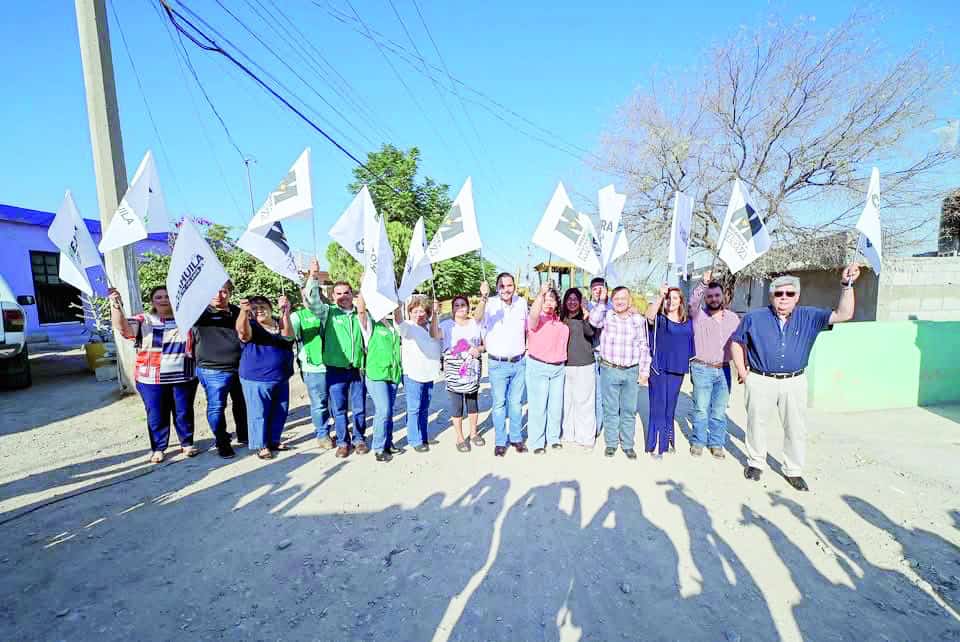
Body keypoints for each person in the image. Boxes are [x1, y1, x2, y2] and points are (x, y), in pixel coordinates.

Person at [731, 266, 861, 491]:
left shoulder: (810, 316)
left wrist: (847, 285)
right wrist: (743, 372)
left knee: (795, 427)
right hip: (761, 379)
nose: (783, 298)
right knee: (757, 424)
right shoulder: (755, 317)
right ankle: (755, 463)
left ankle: (793, 470)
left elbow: (844, 314)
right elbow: (736, 341)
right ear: (771, 296)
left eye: (789, 294)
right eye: (778, 294)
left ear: (797, 296)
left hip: (794, 381)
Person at [109, 286, 199, 464]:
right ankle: (158, 448)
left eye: (167, 296)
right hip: (151, 379)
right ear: (152, 301)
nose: (164, 299)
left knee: (184, 412)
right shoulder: (144, 320)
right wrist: (115, 304)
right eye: (159, 297)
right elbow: (123, 328)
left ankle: (187, 443)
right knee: (157, 415)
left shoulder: (187, 319)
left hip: (185, 376)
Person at [303, 260, 367, 459]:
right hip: (335, 370)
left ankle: (359, 439)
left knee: (359, 408)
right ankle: (342, 442)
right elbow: (312, 300)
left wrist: (366, 282)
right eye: (338, 293)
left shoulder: (360, 314)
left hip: (357, 369)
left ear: (352, 294)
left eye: (346, 293)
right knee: (338, 409)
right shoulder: (328, 312)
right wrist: (313, 276)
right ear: (332, 296)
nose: (343, 297)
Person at [588, 285, 651, 458]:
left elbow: (643, 345)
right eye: (616, 299)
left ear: (629, 300)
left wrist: (644, 371)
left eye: (623, 298)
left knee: (629, 410)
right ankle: (611, 443)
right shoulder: (607, 316)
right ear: (612, 301)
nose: (620, 302)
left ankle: (628, 444)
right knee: (610, 409)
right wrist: (602, 300)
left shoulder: (638, 320)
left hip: (631, 371)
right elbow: (593, 321)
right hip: (610, 369)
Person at [687, 270, 741, 459]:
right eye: (709, 296)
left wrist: (744, 366)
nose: (713, 299)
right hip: (701, 368)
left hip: (724, 369)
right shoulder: (698, 316)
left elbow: (742, 342)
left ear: (723, 296)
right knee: (701, 408)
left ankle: (716, 443)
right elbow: (693, 302)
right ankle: (698, 442)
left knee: (719, 409)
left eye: (717, 295)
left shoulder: (733, 318)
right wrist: (703, 283)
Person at [475, 273, 528, 456]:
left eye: (509, 285)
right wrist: (483, 297)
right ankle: (500, 441)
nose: (506, 289)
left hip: (519, 362)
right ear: (497, 288)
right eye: (502, 286)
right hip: (497, 364)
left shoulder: (521, 304)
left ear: (514, 286)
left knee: (516, 403)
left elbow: (528, 328)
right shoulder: (490, 304)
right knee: (499, 404)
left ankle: (516, 438)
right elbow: (476, 318)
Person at [193, 280, 247, 459]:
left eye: (223, 292)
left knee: (241, 403)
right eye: (214, 291)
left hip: (240, 367)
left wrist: (245, 312)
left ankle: (244, 434)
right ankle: (222, 442)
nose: (219, 295)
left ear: (229, 293)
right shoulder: (198, 312)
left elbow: (245, 333)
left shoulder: (237, 312)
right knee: (217, 407)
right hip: (213, 370)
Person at [236, 294, 294, 460]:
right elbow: (242, 333)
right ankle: (260, 445)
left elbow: (288, 335)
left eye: (263, 306)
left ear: (270, 308)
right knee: (258, 413)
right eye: (254, 308)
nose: (259, 310)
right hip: (256, 379)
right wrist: (243, 312)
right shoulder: (250, 325)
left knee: (280, 411)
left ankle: (274, 440)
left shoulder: (278, 322)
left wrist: (285, 313)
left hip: (281, 377)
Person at [644, 284, 695, 457]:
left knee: (670, 406)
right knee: (658, 406)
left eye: (674, 298)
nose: (671, 301)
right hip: (659, 368)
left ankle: (669, 439)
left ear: (680, 300)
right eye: (668, 298)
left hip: (677, 369)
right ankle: (656, 445)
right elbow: (648, 315)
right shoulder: (659, 319)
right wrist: (660, 296)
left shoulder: (688, 321)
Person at [357, 294, 403, 463]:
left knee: (389, 411)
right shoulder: (370, 324)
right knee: (383, 410)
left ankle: (388, 443)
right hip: (377, 374)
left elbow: (399, 314)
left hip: (392, 373)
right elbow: (361, 311)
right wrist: (363, 290)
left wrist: (397, 297)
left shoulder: (393, 326)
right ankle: (378, 447)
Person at [525, 283, 569, 454]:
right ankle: (536, 442)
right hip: (538, 367)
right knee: (538, 406)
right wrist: (541, 294)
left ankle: (553, 438)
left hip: (558, 368)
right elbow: (534, 314)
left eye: (552, 299)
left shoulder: (559, 322)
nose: (549, 303)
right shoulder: (536, 319)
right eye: (546, 299)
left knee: (556, 406)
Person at [398, 295, 443, 453]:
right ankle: (414, 439)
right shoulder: (408, 327)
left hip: (429, 374)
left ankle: (423, 436)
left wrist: (436, 314)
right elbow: (398, 322)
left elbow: (435, 335)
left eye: (422, 311)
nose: (419, 314)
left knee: (424, 407)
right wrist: (398, 306)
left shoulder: (431, 326)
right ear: (409, 312)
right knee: (414, 408)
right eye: (415, 311)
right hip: (413, 375)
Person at [441, 294, 485, 452]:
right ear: (452, 309)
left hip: (472, 371)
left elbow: (483, 346)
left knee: (472, 402)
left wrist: (477, 350)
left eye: (463, 305)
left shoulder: (476, 323)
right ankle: (460, 438)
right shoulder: (446, 325)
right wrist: (433, 313)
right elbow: (434, 335)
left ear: (468, 307)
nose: (460, 308)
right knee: (457, 405)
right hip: (454, 372)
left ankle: (473, 433)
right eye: (457, 305)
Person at [291, 287, 331, 450]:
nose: (312, 297)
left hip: (335, 365)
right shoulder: (297, 316)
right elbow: (287, 335)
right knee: (319, 403)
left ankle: (342, 433)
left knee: (337, 403)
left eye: (316, 293)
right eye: (307, 295)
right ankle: (322, 434)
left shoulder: (330, 311)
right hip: (313, 368)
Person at [560, 287, 596, 448]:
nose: (572, 302)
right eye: (569, 298)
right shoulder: (561, 318)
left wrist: (586, 316)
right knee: (567, 402)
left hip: (585, 364)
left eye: (575, 299)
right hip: (565, 365)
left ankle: (586, 437)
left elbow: (590, 333)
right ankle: (569, 434)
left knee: (584, 402)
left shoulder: (586, 318)